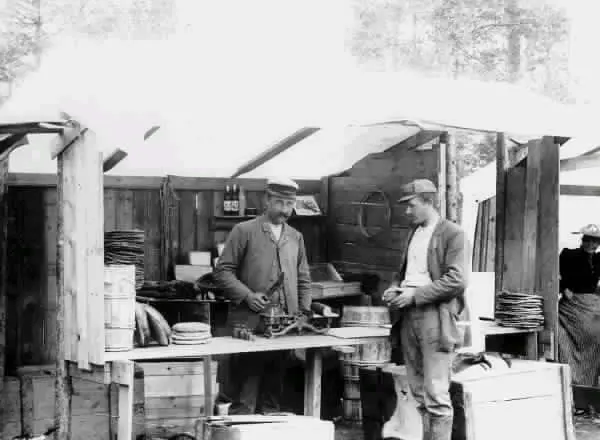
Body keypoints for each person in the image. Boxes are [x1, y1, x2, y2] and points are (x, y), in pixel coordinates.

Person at [214, 177, 312, 415]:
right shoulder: (244, 231)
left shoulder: (295, 237)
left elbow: (304, 279)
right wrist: (247, 296)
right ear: (266, 200)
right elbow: (222, 272)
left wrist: (303, 312)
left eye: (289, 204)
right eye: (279, 203)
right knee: (244, 398)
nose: (285, 210)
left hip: (283, 328)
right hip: (248, 325)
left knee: (273, 397)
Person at [383, 179, 468, 440]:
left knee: (436, 394)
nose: (407, 211)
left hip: (435, 317)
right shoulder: (414, 233)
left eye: (411, 205)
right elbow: (406, 273)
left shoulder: (453, 234)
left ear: (429, 202)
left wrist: (415, 295)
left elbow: (457, 280)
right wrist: (395, 288)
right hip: (408, 316)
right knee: (419, 391)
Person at [557, 224, 600, 393]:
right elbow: (553, 273)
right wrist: (563, 288)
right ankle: (573, 382)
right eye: (588, 240)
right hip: (571, 306)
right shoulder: (569, 255)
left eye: (595, 241)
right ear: (582, 240)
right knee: (566, 340)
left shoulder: (598, 259)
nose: (591, 244)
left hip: (592, 306)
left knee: (596, 337)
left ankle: (589, 386)